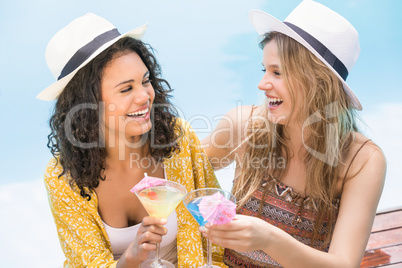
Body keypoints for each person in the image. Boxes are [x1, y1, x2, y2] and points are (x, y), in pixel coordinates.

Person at [201, 1, 386, 267]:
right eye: (264, 69)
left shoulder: (361, 161)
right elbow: (180, 165)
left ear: (317, 81)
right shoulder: (244, 125)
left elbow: (343, 264)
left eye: (277, 72)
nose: (262, 84)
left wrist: (269, 240)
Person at [38, 13, 225, 268]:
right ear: (88, 105)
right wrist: (130, 258)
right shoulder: (62, 178)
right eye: (126, 89)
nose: (144, 96)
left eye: (145, 81)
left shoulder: (178, 140)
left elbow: (215, 230)